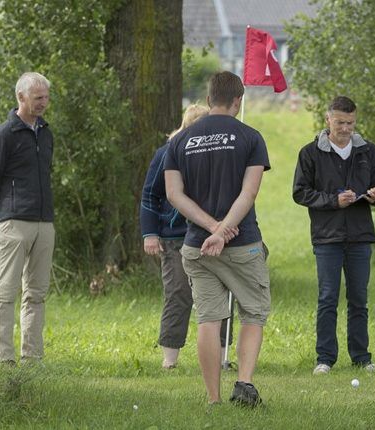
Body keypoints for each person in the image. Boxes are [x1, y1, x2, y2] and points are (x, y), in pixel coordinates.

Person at [164, 71, 271, 406]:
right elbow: (249, 192)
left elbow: (174, 195)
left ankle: (213, 399)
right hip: (242, 244)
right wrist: (224, 230)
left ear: (209, 99)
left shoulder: (180, 141)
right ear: (237, 101)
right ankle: (244, 384)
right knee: (252, 313)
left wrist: (211, 228)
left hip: (196, 246)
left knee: (208, 319)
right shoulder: (251, 137)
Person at [292, 96, 375, 375]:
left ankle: (361, 357)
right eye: (340, 123)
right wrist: (334, 201)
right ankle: (325, 358)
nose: (346, 128)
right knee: (327, 298)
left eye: (350, 123)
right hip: (327, 237)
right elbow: (300, 193)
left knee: (359, 299)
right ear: (328, 120)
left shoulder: (369, 152)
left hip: (360, 237)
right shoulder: (310, 153)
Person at [140, 104, 231, 369]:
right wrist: (150, 233)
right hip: (175, 237)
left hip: (211, 236)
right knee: (178, 294)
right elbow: (150, 195)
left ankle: (223, 356)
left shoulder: (220, 155)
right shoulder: (167, 153)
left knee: (220, 295)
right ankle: (170, 359)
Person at [0, 72, 56, 366]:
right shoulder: (5, 134)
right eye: (38, 98)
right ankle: (3, 357)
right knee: (5, 293)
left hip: (45, 223)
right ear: (21, 98)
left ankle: (32, 358)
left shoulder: (46, 133)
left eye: (46, 97)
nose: (44, 102)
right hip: (13, 222)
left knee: (36, 294)